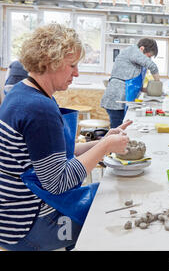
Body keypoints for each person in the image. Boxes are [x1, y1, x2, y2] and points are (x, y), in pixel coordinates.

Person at [0, 23, 130, 251]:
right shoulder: (39, 108)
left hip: (9, 213)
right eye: (72, 65)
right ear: (51, 62)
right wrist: (105, 147)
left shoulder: (22, 90)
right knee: (109, 219)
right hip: (25, 224)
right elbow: (58, 183)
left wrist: (102, 142)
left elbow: (55, 155)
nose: (77, 73)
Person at [101, 38, 160, 128]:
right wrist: (158, 83)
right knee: (118, 129)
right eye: (149, 56)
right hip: (116, 98)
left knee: (122, 128)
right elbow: (152, 66)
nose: (149, 59)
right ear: (142, 49)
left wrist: (146, 90)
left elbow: (132, 81)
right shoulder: (133, 51)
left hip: (121, 97)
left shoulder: (134, 56)